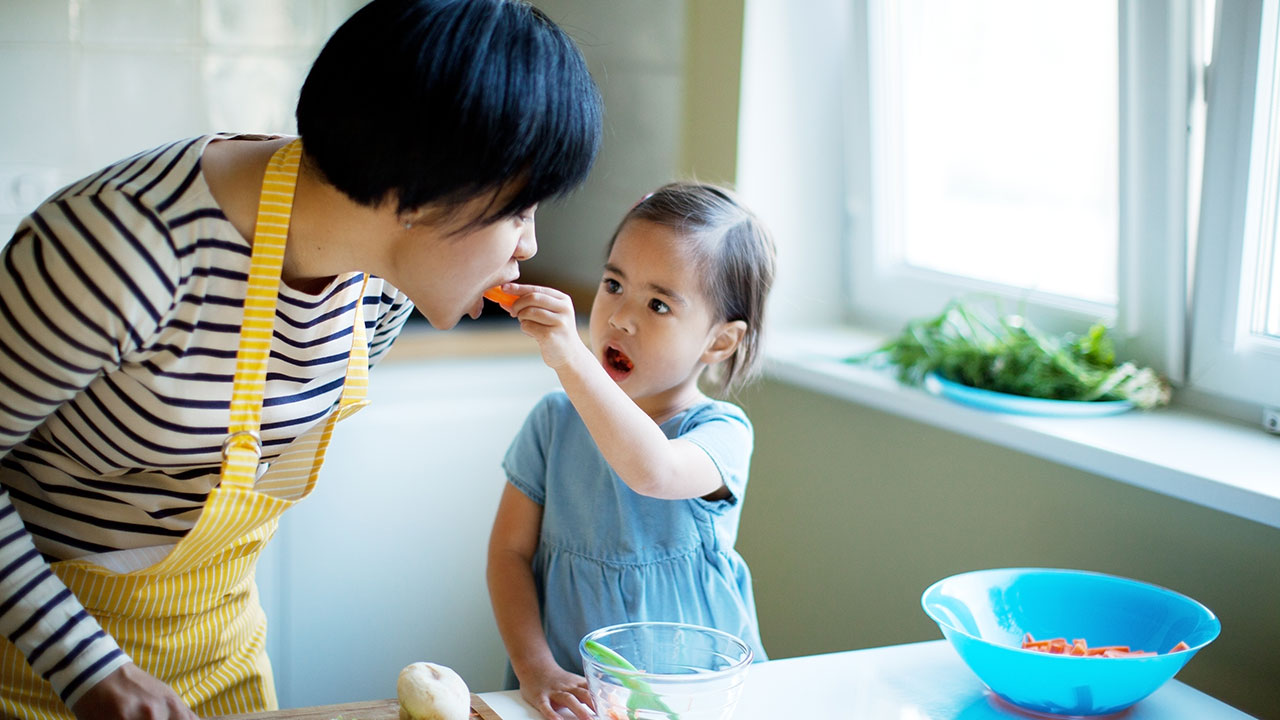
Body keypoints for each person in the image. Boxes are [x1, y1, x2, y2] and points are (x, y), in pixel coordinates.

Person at [0, 0, 602, 717]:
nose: (528, 246)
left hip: (222, 659)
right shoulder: (121, 253)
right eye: (518, 210)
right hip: (32, 670)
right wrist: (92, 670)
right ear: (420, 191)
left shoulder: (381, 289)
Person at [486, 183, 776, 720]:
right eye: (614, 283)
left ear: (718, 342)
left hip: (699, 697)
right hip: (575, 699)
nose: (620, 317)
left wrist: (571, 356)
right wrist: (535, 667)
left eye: (658, 303)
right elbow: (508, 556)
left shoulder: (722, 432)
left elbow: (653, 471)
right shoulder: (554, 423)